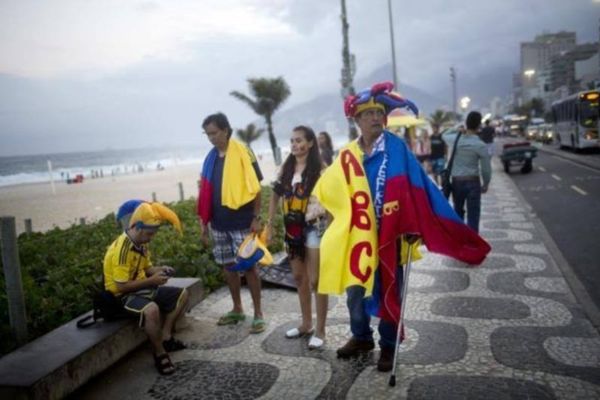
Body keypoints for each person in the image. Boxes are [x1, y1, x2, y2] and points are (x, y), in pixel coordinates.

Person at [312, 82, 491, 372]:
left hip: (389, 234)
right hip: (357, 236)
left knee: (389, 290)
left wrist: (414, 221)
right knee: (355, 289)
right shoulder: (347, 155)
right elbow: (332, 192)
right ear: (357, 119)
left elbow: (417, 187)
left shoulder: (397, 149)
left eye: (379, 113)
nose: (374, 118)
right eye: (368, 113)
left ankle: (388, 346)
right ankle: (361, 337)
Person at [197, 112, 266, 334]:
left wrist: (256, 217)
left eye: (214, 133)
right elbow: (205, 193)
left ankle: (258, 314)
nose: (211, 138)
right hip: (218, 223)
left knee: (250, 267)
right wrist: (203, 223)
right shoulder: (210, 159)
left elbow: (256, 188)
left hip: (242, 222)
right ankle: (237, 308)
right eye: (207, 134)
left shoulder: (244, 152)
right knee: (228, 267)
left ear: (225, 130)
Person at [103, 201, 189, 375]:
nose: (151, 238)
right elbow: (121, 286)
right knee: (152, 310)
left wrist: (160, 269)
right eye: (149, 234)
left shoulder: (141, 242)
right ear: (137, 227)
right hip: (121, 296)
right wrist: (152, 281)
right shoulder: (122, 249)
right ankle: (159, 353)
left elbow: (147, 269)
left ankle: (165, 336)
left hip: (141, 289)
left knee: (182, 294)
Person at [266, 125, 329, 349]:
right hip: (291, 229)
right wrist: (270, 224)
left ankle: (321, 330)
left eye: (299, 140)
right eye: (292, 141)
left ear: (311, 143)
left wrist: (333, 227)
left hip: (315, 227)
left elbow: (331, 200)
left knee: (316, 280)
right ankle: (306, 324)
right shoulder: (286, 169)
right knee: (300, 278)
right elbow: (274, 196)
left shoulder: (321, 170)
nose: (295, 145)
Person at [445, 111, 492, 233]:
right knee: (473, 216)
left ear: (466, 124)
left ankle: (460, 242)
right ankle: (473, 247)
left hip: (457, 182)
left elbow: (444, 134)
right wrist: (486, 183)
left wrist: (457, 128)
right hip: (473, 182)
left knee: (458, 213)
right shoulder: (480, 145)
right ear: (479, 126)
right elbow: (486, 168)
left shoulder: (455, 140)